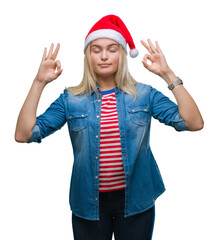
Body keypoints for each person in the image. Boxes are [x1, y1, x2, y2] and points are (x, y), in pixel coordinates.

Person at [15, 14, 204, 240]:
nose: (104, 56)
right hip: (88, 203)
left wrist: (167, 74)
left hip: (136, 201)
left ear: (122, 55)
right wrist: (39, 83)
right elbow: (24, 134)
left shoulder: (144, 95)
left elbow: (194, 123)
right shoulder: (71, 99)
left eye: (112, 49)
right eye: (96, 50)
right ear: (88, 56)